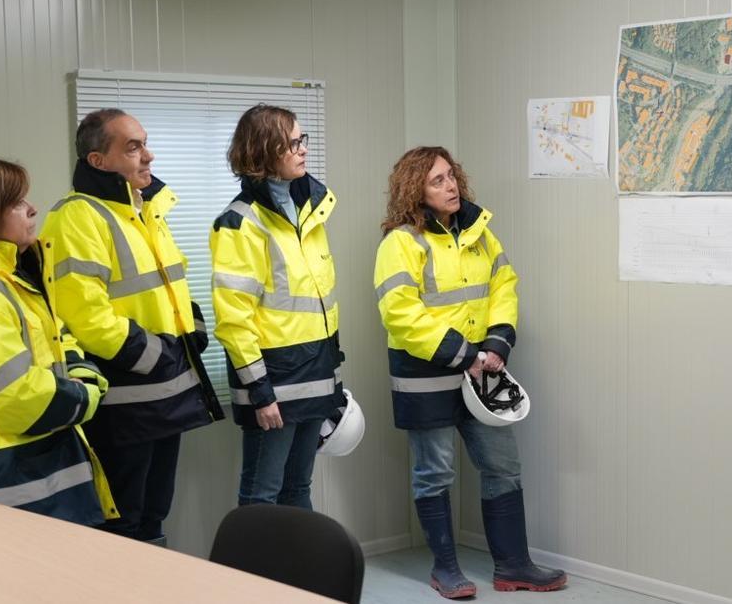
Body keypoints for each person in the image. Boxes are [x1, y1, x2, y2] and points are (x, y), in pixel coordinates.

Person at [374, 146, 566, 599]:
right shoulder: (400, 242)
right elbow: (400, 313)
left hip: (483, 370)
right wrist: (465, 355)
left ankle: (514, 566)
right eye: (437, 180)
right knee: (435, 472)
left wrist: (498, 342)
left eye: (451, 176)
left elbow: (504, 286)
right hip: (427, 373)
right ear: (415, 190)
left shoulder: (480, 233)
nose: (451, 186)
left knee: (503, 466)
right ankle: (446, 569)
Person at [41, 109, 224, 545]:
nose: (149, 155)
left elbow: (171, 287)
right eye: (133, 147)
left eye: (145, 143)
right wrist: (158, 357)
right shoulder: (77, 217)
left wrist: (193, 332)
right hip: (125, 402)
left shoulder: (144, 210)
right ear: (98, 161)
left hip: (164, 393)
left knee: (155, 515)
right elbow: (85, 316)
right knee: (123, 525)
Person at [0, 158, 115, 524]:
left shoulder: (8, 277)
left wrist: (82, 371)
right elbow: (16, 397)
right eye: (16, 202)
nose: (32, 209)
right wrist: (85, 396)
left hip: (27, 475)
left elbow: (57, 338)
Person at [210, 105, 347, 508]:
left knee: (298, 488)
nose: (303, 149)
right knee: (262, 496)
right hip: (274, 385)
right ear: (263, 151)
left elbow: (319, 307)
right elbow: (234, 321)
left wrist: (333, 380)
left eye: (302, 140)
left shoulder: (310, 212)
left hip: (316, 375)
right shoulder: (240, 222)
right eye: (292, 143)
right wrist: (260, 393)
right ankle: (254, 559)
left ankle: (302, 556)